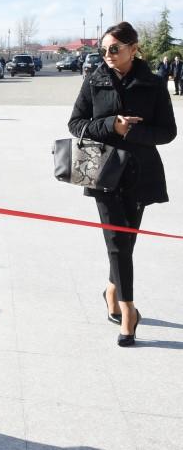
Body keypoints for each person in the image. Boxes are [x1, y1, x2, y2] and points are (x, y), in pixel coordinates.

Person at [67, 22, 176, 347]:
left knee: (125, 244)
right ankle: (129, 313)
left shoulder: (153, 84)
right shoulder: (95, 79)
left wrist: (133, 133)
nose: (107, 55)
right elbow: (76, 123)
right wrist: (111, 126)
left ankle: (112, 291)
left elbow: (168, 132)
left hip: (140, 175)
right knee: (118, 242)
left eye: (114, 48)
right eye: (103, 50)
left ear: (133, 48)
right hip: (103, 174)